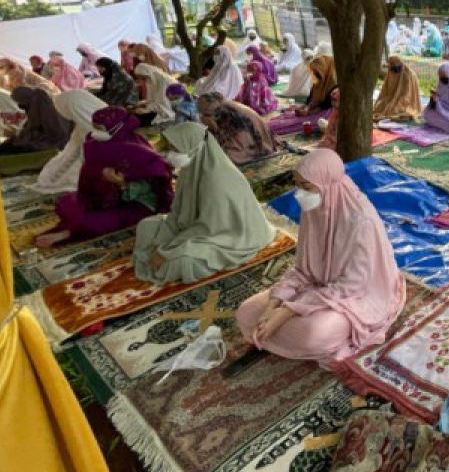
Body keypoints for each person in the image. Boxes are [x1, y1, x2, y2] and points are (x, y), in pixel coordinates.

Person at [236, 149, 407, 364]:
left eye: (306, 187)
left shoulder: (361, 222)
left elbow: (351, 287)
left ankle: (286, 333)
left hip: (355, 297)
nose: (298, 194)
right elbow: (302, 271)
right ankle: (282, 331)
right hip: (318, 290)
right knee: (245, 313)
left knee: (315, 334)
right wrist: (273, 305)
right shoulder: (314, 209)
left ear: (328, 184)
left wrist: (286, 312)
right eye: (296, 185)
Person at [133, 123, 275, 284]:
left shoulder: (216, 180)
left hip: (229, 235)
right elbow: (179, 213)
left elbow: (210, 228)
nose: (170, 154)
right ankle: (162, 257)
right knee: (147, 226)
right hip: (199, 227)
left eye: (176, 149)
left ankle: (166, 261)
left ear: (195, 148)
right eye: (170, 148)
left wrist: (168, 250)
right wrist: (165, 242)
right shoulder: (190, 168)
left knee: (184, 261)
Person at [34, 107, 174, 247]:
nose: (96, 132)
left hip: (140, 202)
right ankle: (75, 226)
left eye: (101, 128)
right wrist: (102, 177)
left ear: (117, 127)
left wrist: (122, 184)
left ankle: (69, 233)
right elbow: (89, 174)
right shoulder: (99, 145)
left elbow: (155, 185)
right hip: (110, 197)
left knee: (94, 221)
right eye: (95, 127)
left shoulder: (139, 150)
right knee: (66, 202)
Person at [34, 90, 108, 194]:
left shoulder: (99, 126)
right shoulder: (90, 117)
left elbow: (87, 157)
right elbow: (75, 148)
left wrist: (60, 175)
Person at [196, 93, 282, 165]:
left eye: (204, 114)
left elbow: (242, 142)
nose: (202, 117)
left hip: (258, 147)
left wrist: (213, 127)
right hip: (263, 141)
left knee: (217, 157)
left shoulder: (226, 114)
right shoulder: (225, 105)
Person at [0, 86, 72, 156]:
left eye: (19, 102)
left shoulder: (37, 107)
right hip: (50, 139)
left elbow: (35, 129)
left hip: (51, 142)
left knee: (8, 149)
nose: (20, 105)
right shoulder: (37, 102)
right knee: (8, 145)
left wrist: (17, 136)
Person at [373, 56, 422, 121]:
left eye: (393, 65)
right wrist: (384, 101)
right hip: (392, 98)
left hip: (405, 101)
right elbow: (384, 91)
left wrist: (395, 103)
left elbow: (407, 96)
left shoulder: (408, 75)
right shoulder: (391, 71)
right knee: (379, 107)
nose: (391, 68)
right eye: (390, 66)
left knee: (394, 110)